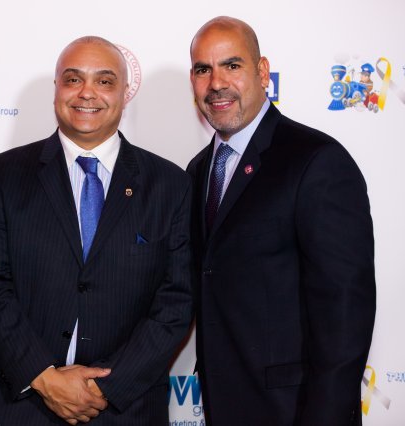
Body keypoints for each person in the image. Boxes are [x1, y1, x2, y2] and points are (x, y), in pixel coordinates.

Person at [0, 36, 193, 425]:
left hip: (123, 409)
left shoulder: (170, 185)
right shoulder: (2, 175)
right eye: (73, 79)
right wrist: (44, 378)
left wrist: (105, 389)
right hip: (15, 404)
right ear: (56, 88)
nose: (87, 92)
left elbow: (176, 302)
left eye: (104, 81)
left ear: (124, 92)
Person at [186, 16, 376, 426]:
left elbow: (346, 309)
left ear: (262, 72)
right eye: (203, 70)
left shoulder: (315, 160)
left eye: (232, 65)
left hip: (295, 411)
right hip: (223, 407)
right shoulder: (198, 170)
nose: (216, 83)